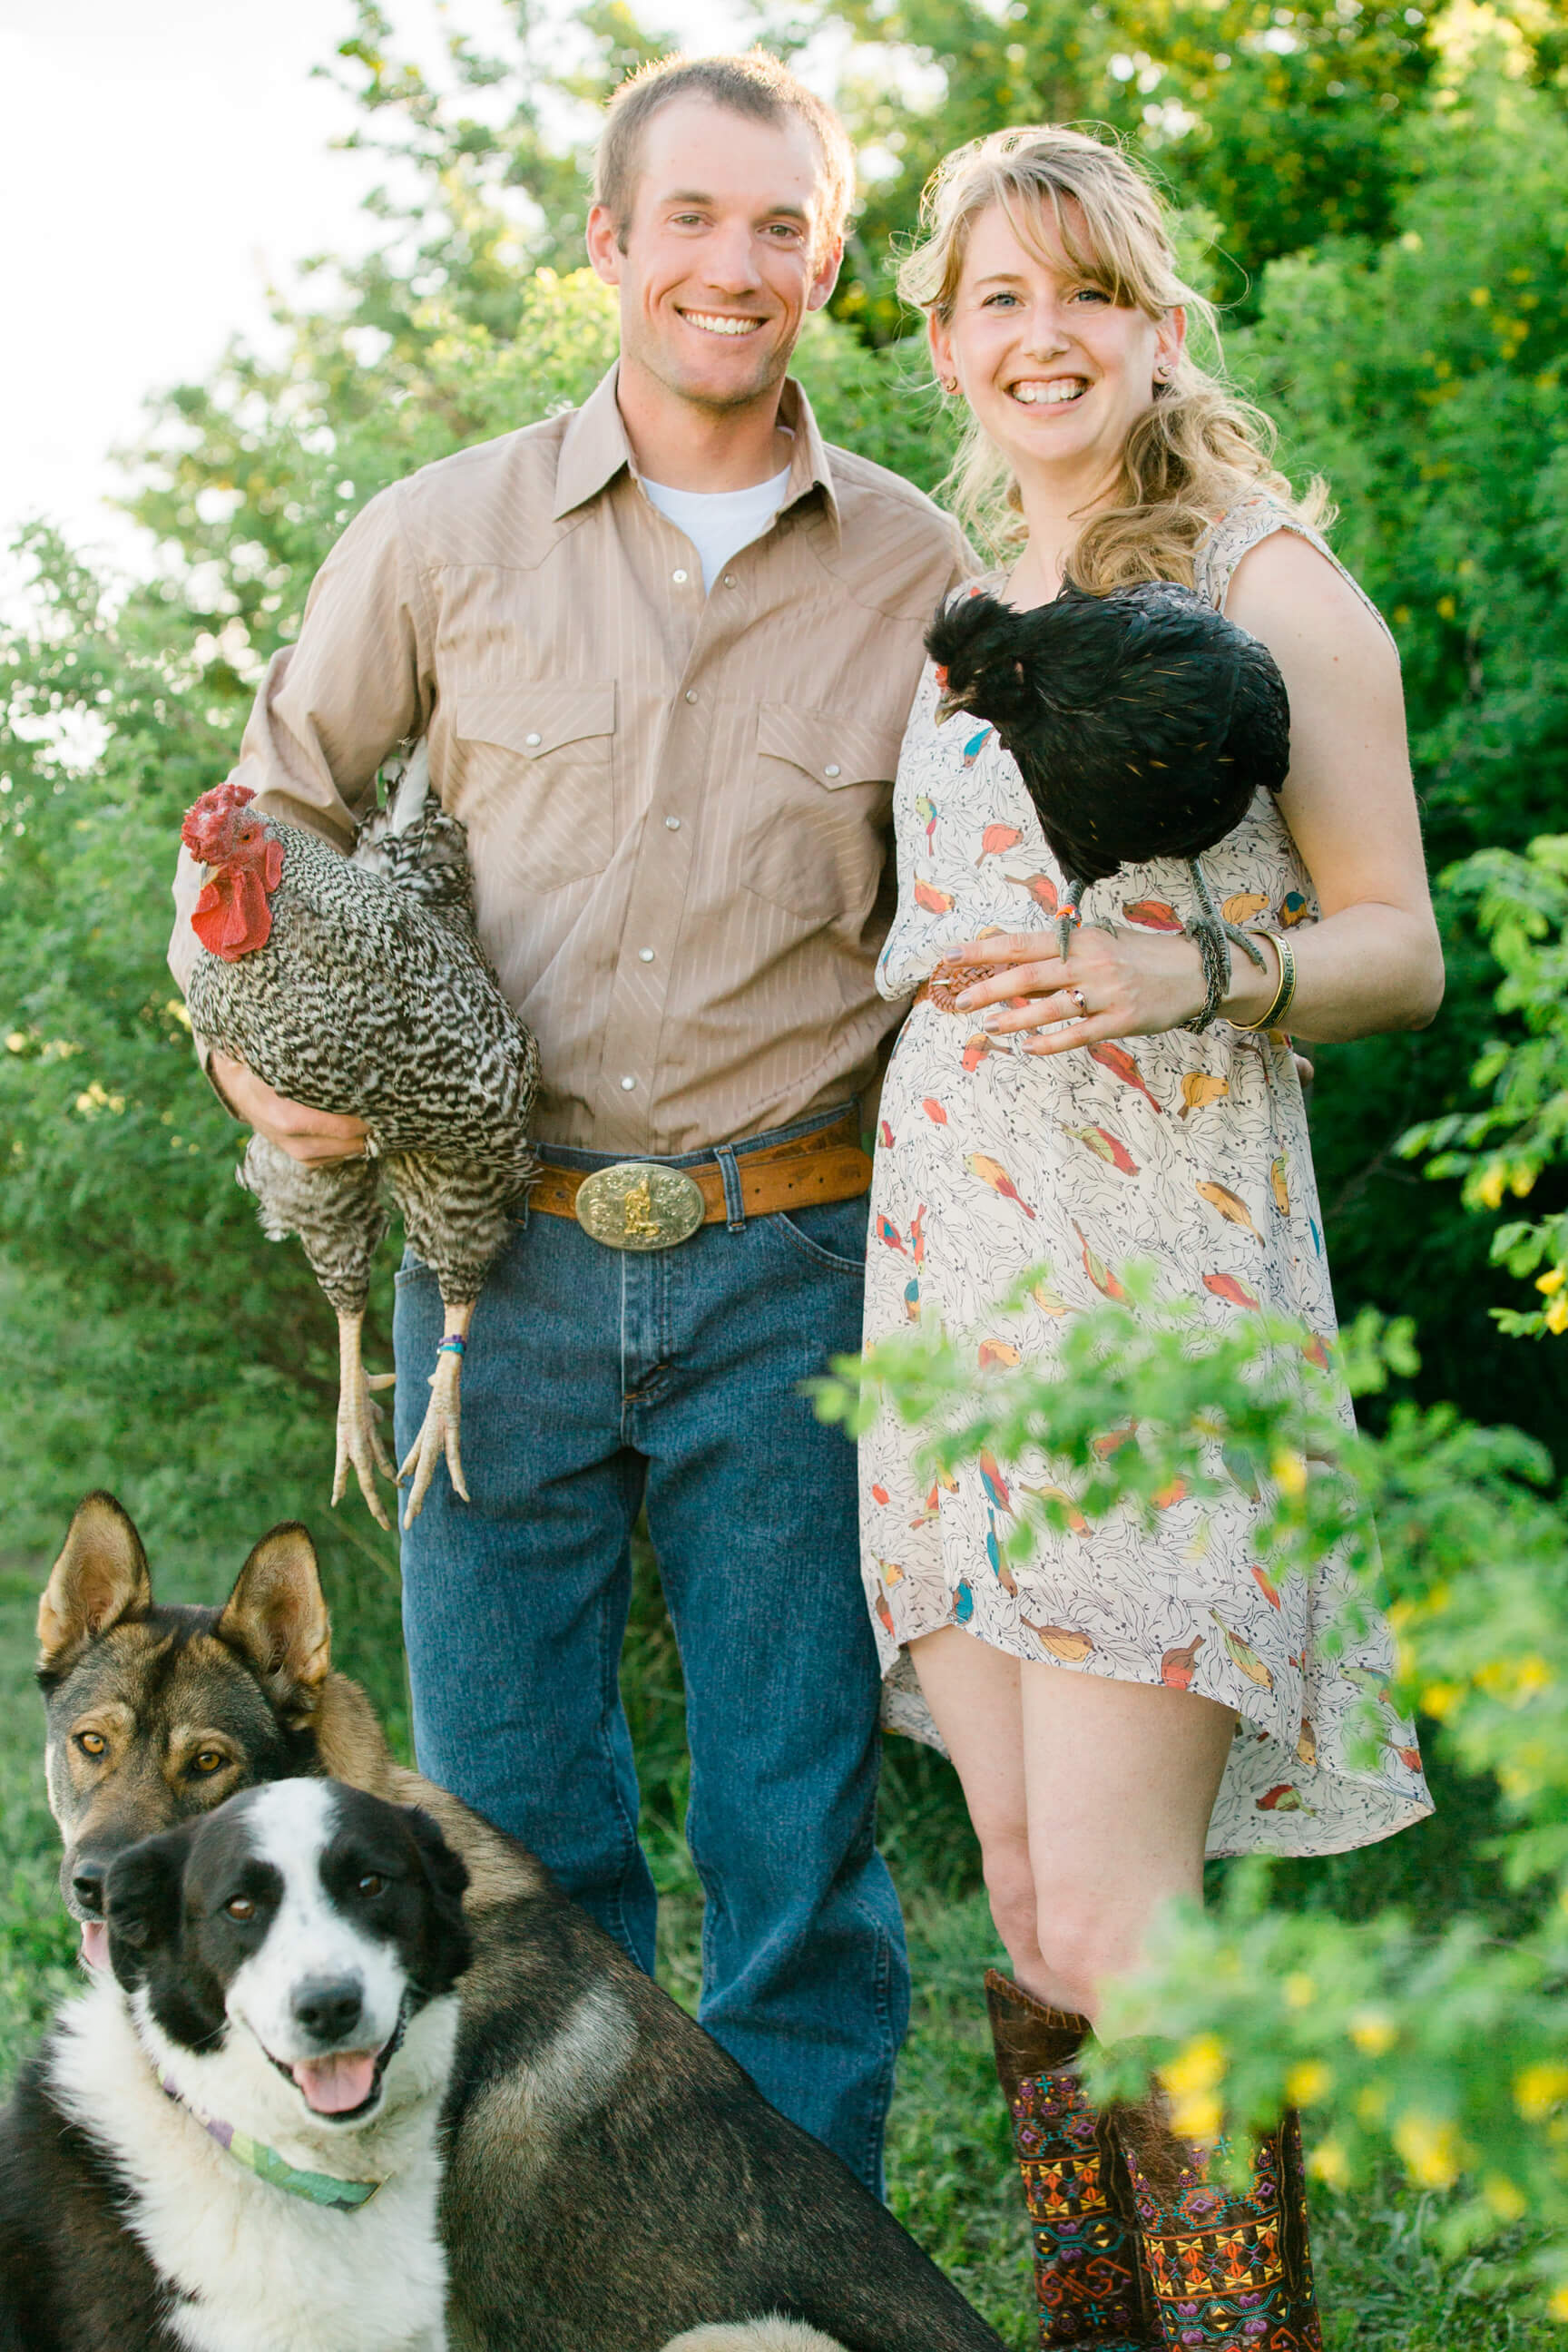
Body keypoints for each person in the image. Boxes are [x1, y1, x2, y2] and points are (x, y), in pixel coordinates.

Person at [168, 52, 970, 2193]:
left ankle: (796, 2289)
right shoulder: (438, 535)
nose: (736, 266)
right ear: (608, 246)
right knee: (512, 1848)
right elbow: (264, 814)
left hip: (793, 1261)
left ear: (829, 257)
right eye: (690, 220)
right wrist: (257, 1063)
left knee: (797, 1843)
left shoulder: (924, 568)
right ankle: (560, 2277)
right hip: (483, 1268)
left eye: (782, 225)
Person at [858, 125, 1444, 2346]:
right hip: (960, 1301)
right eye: (995, 300)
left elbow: (1399, 948)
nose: (1041, 337)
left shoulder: (1265, 582)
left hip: (1156, 1297)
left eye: (1081, 290)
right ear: (944, 338)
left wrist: (1199, 975)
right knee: (1028, 1910)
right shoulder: (971, 588)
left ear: (1154, 315)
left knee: (1123, 1923)